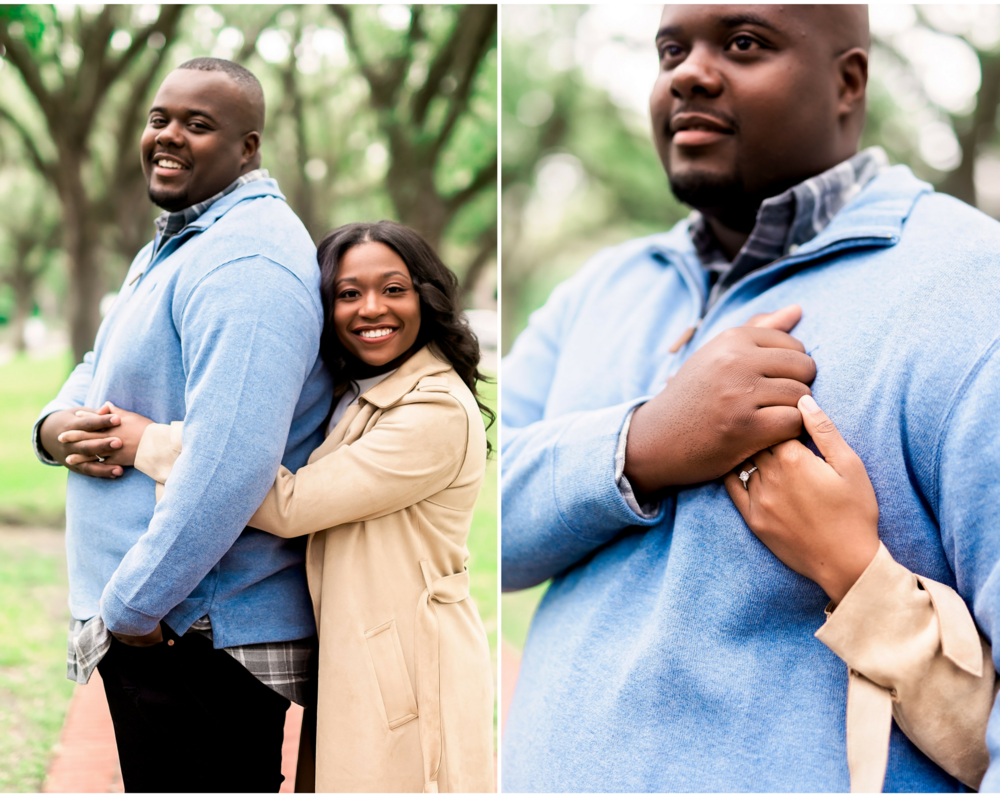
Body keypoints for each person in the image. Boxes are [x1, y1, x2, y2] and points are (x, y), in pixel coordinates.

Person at [501, 5, 1000, 792]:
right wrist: (645, 443)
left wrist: (860, 572)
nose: (688, 73)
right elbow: (484, 520)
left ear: (848, 81)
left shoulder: (972, 294)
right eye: (671, 50)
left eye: (743, 43)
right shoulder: (599, 290)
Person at [72, 221, 497, 793]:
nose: (372, 308)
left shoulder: (434, 412)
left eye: (393, 289)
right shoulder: (364, 391)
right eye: (348, 294)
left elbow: (290, 505)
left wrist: (150, 440)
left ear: (426, 297)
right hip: (362, 656)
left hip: (410, 670)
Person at [33, 58, 332, 792]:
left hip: (198, 633)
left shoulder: (249, 259)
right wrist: (54, 427)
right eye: (159, 118)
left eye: (198, 125)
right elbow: (98, 364)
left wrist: (133, 608)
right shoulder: (177, 243)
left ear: (248, 148)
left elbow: (233, 461)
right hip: (169, 625)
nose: (168, 136)